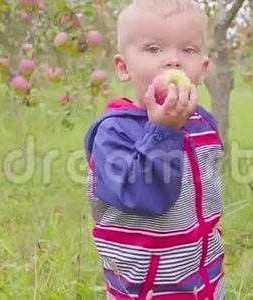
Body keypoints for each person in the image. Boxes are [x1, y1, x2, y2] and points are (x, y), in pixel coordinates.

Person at [83, 0, 226, 298]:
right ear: (123, 67)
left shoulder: (203, 123)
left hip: (205, 278)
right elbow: (143, 196)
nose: (173, 61)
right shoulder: (114, 133)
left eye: (188, 50)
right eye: (153, 49)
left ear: (203, 68)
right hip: (145, 289)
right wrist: (163, 132)